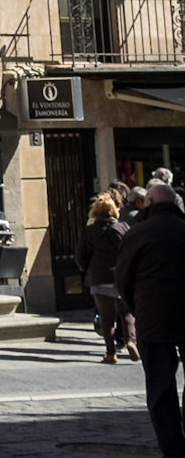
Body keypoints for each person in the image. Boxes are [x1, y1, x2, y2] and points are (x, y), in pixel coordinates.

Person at [114, 180, 185, 458]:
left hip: (153, 318)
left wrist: (136, 309)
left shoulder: (138, 234)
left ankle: (173, 446)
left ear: (150, 203)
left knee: (160, 385)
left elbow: (123, 279)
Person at [80, 192, 138, 363]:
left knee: (106, 317)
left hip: (99, 276)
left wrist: (87, 269)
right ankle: (131, 341)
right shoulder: (123, 227)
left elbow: (80, 256)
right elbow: (131, 251)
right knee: (127, 312)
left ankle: (111, 353)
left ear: (95, 212)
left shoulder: (88, 231)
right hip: (120, 275)